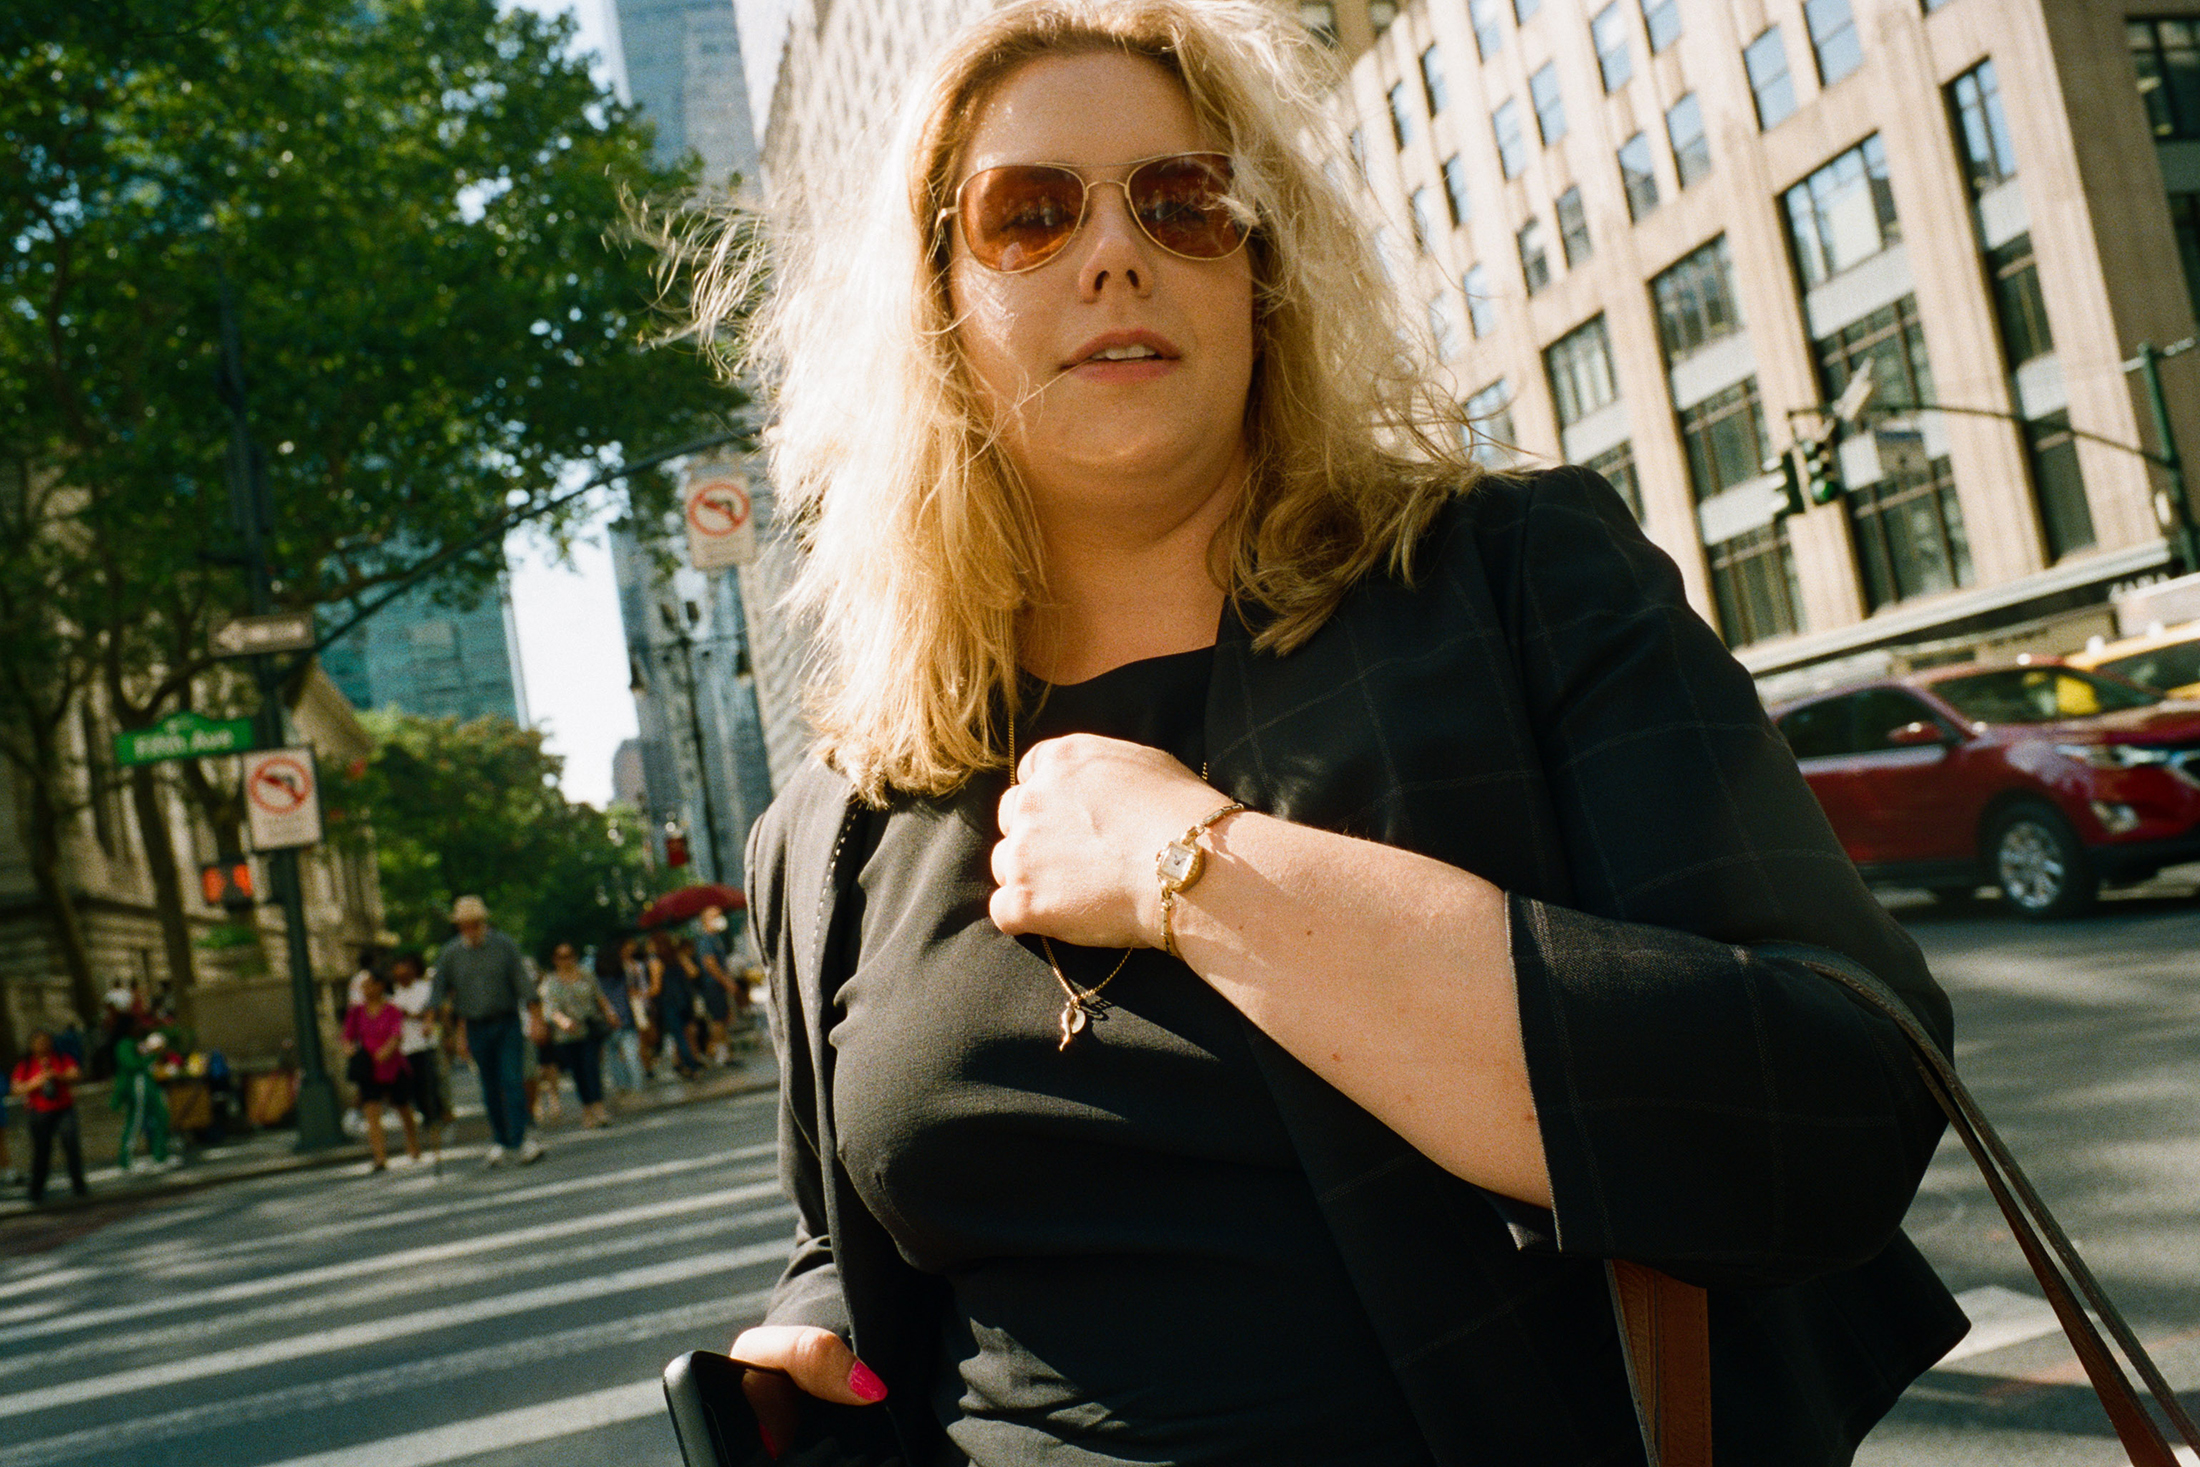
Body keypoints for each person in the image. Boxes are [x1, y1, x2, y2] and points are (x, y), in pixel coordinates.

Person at [706, 4, 1965, 1464]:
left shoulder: (1514, 585)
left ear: (1265, 274)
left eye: (1185, 203)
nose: (1117, 251)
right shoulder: (835, 822)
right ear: (935, 302)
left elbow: (1840, 1099)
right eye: (1030, 214)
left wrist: (1199, 867)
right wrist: (815, 1334)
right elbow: (847, 1231)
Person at [430, 894, 545, 1167]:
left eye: (474, 924)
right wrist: (432, 1020)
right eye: (463, 925)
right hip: (475, 1025)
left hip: (506, 1022)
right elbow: (438, 992)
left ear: (483, 922)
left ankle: (520, 1138)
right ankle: (501, 1140)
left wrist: (536, 1019)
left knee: (512, 1080)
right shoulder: (450, 953)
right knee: (489, 1087)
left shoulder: (504, 945)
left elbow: (523, 984)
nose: (469, 930)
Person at [342, 970, 418, 1171]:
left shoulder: (392, 1009)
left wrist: (387, 1050)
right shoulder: (356, 1012)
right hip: (369, 1069)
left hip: (392, 1066)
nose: (365, 989)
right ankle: (379, 1156)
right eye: (363, 986)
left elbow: (396, 1034)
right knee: (371, 1110)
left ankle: (412, 1142)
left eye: (369, 984)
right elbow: (346, 1037)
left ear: (380, 986)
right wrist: (352, 1053)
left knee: (402, 1106)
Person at [539, 942, 618, 1127]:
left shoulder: (585, 975)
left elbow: (599, 996)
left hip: (588, 1029)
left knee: (591, 1068)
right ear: (555, 959)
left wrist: (610, 1012)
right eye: (561, 956)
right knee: (578, 1072)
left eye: (569, 955)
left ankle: (598, 1107)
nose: (566, 960)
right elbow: (549, 1008)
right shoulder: (551, 981)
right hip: (566, 1035)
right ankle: (587, 1110)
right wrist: (563, 1021)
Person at [10, 1028, 87, 1203]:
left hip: (63, 1109)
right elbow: (15, 1088)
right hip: (40, 1113)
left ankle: (79, 1185)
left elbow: (76, 1074)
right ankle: (36, 1191)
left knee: (71, 1146)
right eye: (38, 1042)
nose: (42, 1045)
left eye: (46, 1041)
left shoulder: (61, 1058)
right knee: (42, 1151)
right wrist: (36, 1082)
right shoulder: (26, 1065)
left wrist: (57, 1075)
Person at [388, 950, 449, 1149]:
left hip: (425, 1044)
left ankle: (438, 1117)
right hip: (405, 1048)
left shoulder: (424, 988)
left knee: (431, 1082)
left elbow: (431, 1011)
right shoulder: (394, 995)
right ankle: (427, 1117)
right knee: (414, 1088)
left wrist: (414, 1016)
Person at [110, 1028, 175, 1172]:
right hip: (139, 1089)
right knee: (135, 1123)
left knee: (160, 1119)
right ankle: (126, 1160)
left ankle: (160, 1156)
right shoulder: (125, 1045)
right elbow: (132, 1064)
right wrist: (151, 1055)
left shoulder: (139, 1044)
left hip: (150, 1087)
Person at [645, 931, 703, 1081]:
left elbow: (656, 988)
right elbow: (694, 972)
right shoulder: (678, 956)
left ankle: (691, 1066)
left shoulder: (655, 962)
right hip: (685, 999)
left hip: (669, 1002)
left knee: (679, 1036)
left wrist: (641, 994)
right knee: (688, 1033)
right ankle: (685, 1063)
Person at [594, 936, 644, 1093]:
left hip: (607, 1019)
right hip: (626, 1015)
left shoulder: (597, 977)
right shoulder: (622, 972)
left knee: (613, 1055)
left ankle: (621, 1086)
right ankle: (637, 1087)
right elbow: (631, 991)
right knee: (631, 1055)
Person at [693, 905, 740, 1061]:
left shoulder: (715, 938)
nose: (720, 918)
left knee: (724, 1018)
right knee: (718, 1020)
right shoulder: (706, 940)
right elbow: (710, 965)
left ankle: (725, 1053)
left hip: (718, 985)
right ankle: (716, 1052)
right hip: (713, 986)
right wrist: (726, 982)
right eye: (715, 916)